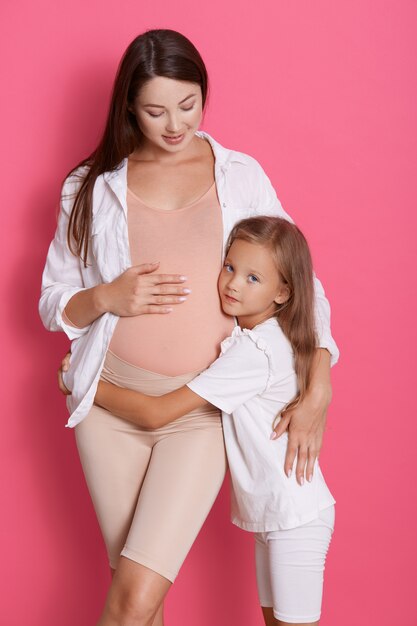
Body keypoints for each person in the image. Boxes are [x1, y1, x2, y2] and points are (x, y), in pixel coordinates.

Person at [40, 28, 339, 626]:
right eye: (155, 110)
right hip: (106, 415)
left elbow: (300, 280)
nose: (174, 124)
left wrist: (320, 382)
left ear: (204, 95)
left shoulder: (239, 175)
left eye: (188, 105)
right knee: (132, 595)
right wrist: (104, 296)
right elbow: (53, 304)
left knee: (134, 598)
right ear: (129, 105)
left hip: (197, 410)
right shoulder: (90, 188)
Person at [92, 215, 336, 626]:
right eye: (229, 267)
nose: (233, 284)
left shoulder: (257, 352)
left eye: (253, 278)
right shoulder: (263, 337)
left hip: (295, 516)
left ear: (283, 293)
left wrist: (85, 385)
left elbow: (157, 413)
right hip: (275, 513)